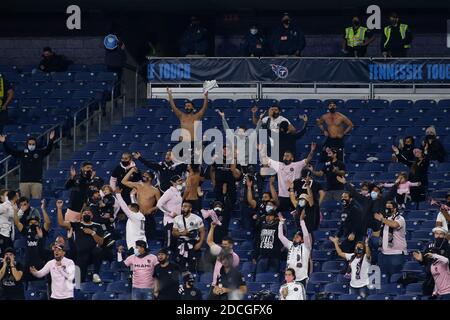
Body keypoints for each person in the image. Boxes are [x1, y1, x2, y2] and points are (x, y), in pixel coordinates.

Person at [338, 175, 398, 264]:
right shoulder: (365, 200)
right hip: (365, 232)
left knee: (379, 251)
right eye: (373, 191)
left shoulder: (383, 200)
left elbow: (391, 193)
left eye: (376, 191)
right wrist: (345, 183)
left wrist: (396, 184)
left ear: (380, 193)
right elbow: (355, 194)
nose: (374, 192)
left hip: (378, 233)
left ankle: (379, 265)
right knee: (364, 252)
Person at [57, 200, 104, 283]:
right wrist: (59, 208)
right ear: (81, 215)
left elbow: (101, 242)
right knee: (79, 280)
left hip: (92, 253)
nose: (86, 214)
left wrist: (92, 233)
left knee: (98, 250)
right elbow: (61, 223)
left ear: (92, 215)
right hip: (80, 255)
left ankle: (96, 274)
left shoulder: (97, 226)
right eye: (84, 213)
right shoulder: (76, 225)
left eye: (88, 213)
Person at [260, 143, 316, 211]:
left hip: (294, 196)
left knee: (297, 214)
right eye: (284, 155)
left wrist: (312, 150)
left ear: (292, 158)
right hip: (282, 197)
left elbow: (308, 159)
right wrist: (262, 151)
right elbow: (266, 159)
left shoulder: (297, 165)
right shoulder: (279, 165)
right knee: (282, 215)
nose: (285, 157)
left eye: (287, 156)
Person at [0, 131, 56, 199]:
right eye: (30, 144)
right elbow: (11, 151)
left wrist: (51, 140)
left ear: (36, 144)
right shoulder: (22, 153)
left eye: (33, 144)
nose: (31, 145)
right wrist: (4, 142)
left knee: (36, 202)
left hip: (37, 182)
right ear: (27, 144)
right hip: (24, 182)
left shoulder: (40, 152)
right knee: (24, 202)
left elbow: (48, 150)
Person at [13, 199, 50, 282]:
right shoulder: (26, 231)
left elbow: (48, 223)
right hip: (28, 263)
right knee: (27, 283)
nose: (33, 224)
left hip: (39, 263)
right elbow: (17, 223)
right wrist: (15, 211)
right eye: (31, 222)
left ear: (39, 223)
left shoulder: (42, 231)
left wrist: (43, 209)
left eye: (35, 222)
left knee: (41, 283)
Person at [122, 168, 160, 241]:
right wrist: (132, 170)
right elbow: (124, 181)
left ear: (150, 178)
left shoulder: (155, 190)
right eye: (143, 175)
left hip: (148, 216)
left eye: (146, 175)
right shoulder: (138, 185)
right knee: (136, 237)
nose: (143, 176)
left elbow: (160, 204)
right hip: (137, 215)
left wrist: (152, 209)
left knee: (149, 237)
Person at [413, 228, 450, 300]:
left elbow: (446, 261)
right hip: (431, 278)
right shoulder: (429, 245)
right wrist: (421, 260)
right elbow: (425, 260)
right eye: (436, 234)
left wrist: (434, 256)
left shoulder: (448, 247)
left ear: (445, 235)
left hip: (445, 278)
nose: (438, 236)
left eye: (441, 234)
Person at [374, 201, 407, 279]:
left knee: (396, 278)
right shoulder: (386, 219)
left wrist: (382, 219)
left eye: (389, 207)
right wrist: (371, 233)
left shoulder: (400, 218)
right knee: (384, 278)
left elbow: (394, 225)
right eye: (386, 207)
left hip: (396, 254)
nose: (387, 209)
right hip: (384, 254)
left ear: (395, 209)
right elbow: (382, 233)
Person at [278, 211, 312, 287]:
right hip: (290, 277)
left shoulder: (306, 246)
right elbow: (280, 236)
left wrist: (302, 221)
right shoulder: (290, 245)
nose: (295, 237)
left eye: (298, 236)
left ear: (302, 239)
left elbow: (306, 235)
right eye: (295, 236)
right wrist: (281, 223)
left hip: (301, 278)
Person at [172, 202, 205, 273]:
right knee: (181, 265)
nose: (183, 208)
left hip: (193, 243)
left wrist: (200, 243)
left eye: (186, 206)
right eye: (183, 206)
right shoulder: (177, 218)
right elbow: (174, 233)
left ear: (190, 208)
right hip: (181, 244)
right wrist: (182, 233)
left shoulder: (197, 218)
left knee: (193, 265)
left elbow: (202, 231)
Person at [157, 175, 183, 254]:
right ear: (173, 182)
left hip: (177, 222)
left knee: (175, 244)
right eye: (179, 181)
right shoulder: (169, 192)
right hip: (169, 222)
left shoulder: (179, 192)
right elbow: (159, 204)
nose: (181, 182)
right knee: (169, 244)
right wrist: (170, 213)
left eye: (181, 180)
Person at [252, 207, 283, 273]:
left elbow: (282, 237)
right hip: (263, 255)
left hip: (274, 256)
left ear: (275, 217)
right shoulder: (262, 226)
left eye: (270, 215)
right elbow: (258, 241)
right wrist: (255, 255)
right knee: (259, 276)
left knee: (273, 278)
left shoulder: (278, 226)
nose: (268, 217)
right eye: (267, 215)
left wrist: (280, 221)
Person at [0, 191, 18, 255]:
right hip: (3, 233)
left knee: (10, 252)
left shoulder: (14, 205)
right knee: (4, 252)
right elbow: (13, 215)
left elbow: (16, 218)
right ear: (15, 197)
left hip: (9, 232)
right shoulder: (4, 205)